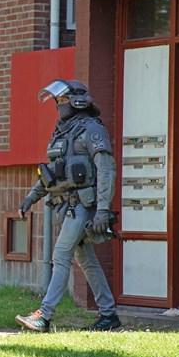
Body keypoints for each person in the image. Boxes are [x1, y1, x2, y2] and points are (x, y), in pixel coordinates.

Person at [15, 79, 121, 333]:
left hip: (84, 206)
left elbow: (107, 170)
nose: (58, 106)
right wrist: (30, 199)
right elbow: (51, 174)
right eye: (57, 102)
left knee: (60, 255)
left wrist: (103, 209)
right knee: (86, 260)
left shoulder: (92, 130)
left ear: (77, 101)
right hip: (67, 205)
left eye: (61, 101)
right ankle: (109, 315)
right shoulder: (62, 132)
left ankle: (44, 315)